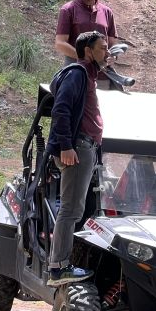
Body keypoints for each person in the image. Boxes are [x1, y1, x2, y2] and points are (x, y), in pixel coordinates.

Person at [46, 31, 110, 287]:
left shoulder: (88, 75)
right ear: (87, 51)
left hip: (86, 147)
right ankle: (59, 268)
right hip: (77, 147)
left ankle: (63, 263)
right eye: (102, 48)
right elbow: (60, 109)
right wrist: (66, 146)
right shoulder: (78, 73)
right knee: (71, 208)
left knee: (77, 208)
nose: (106, 52)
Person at [55, 0, 118, 64]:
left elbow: (112, 43)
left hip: (102, 75)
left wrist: (113, 56)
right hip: (76, 74)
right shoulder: (68, 10)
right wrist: (83, 56)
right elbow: (60, 43)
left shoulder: (107, 12)